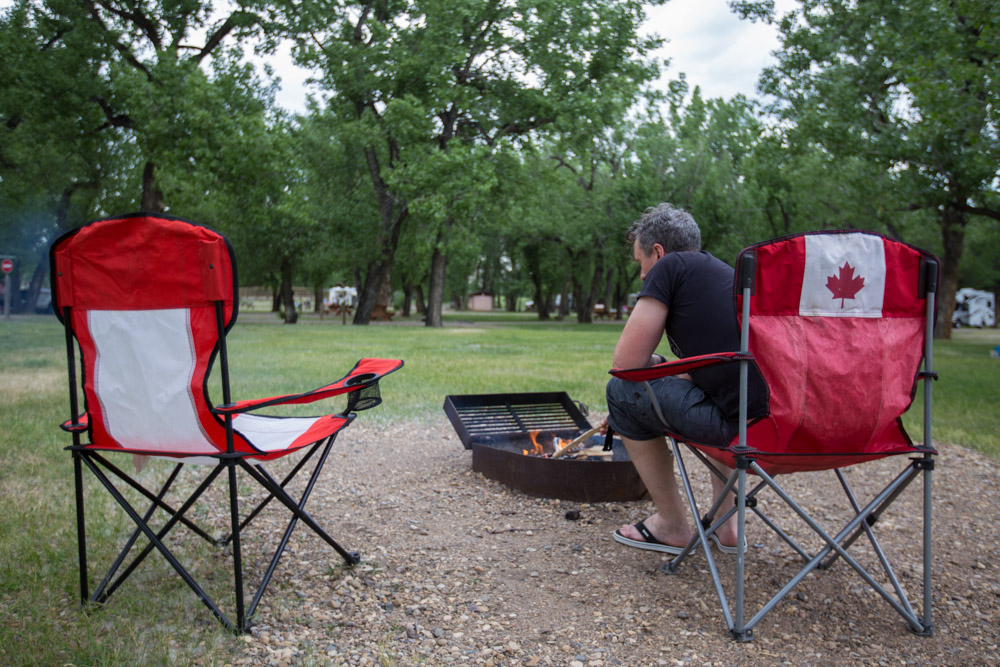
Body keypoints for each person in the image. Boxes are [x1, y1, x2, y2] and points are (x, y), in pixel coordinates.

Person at [604, 203, 768, 555]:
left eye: (641, 263)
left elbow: (626, 365)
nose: (645, 275)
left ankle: (672, 525)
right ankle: (727, 527)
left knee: (620, 392)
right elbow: (722, 369)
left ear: (658, 253)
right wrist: (664, 363)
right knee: (725, 397)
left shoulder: (670, 267)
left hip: (738, 432)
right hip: (775, 428)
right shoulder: (727, 274)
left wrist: (643, 371)